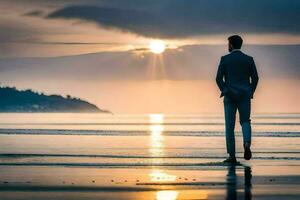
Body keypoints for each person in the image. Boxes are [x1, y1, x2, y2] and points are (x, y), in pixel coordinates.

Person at [216, 35, 259, 163]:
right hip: (245, 94)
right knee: (245, 121)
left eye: (228, 44)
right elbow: (255, 78)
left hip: (229, 95)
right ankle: (246, 143)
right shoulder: (249, 59)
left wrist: (225, 89)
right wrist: (250, 91)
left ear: (231, 45)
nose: (227, 46)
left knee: (229, 126)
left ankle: (232, 156)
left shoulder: (225, 59)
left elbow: (218, 78)